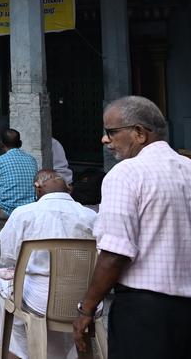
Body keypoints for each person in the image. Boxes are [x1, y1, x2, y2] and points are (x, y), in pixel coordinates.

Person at [74, 96, 191, 358]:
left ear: (139, 133)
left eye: (111, 132)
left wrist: (86, 309)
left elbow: (115, 253)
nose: (105, 140)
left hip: (145, 313)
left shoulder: (127, 173)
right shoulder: (188, 168)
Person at [0, 169, 96, 359]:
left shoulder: (24, 213)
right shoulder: (91, 216)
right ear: (67, 190)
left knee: (2, 284)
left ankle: (30, 352)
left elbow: (9, 256)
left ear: (37, 188)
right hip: (84, 299)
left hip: (39, 300)